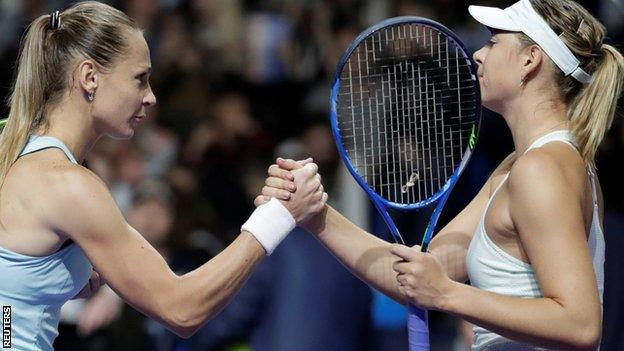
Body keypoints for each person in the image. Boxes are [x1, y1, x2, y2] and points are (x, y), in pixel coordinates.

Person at [259, 0, 624, 349]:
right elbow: (415, 277)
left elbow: (580, 324)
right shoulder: (520, 167)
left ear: (530, 59)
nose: (478, 54)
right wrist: (314, 213)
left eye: (494, 43)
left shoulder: (541, 169)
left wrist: (449, 295)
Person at [0, 2, 327, 350]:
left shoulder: (8, 144)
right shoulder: (70, 186)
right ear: (89, 77)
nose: (152, 97)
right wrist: (277, 215)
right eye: (140, 79)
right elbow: (181, 309)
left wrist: (38, 284)